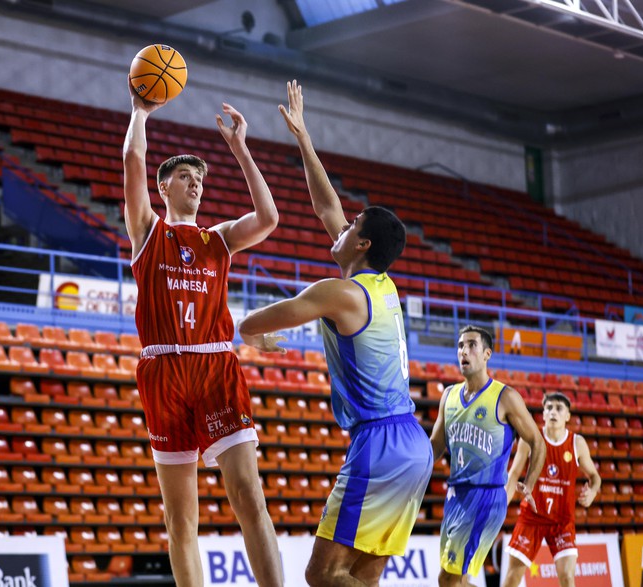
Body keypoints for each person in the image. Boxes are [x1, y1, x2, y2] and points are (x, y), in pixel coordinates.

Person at [237, 80, 433, 587]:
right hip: (411, 444)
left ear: (361, 242)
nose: (338, 227)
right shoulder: (380, 283)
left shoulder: (338, 293)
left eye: (350, 228)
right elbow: (327, 208)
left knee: (321, 576)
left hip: (380, 444)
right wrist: (304, 139)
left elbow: (255, 321)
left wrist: (248, 333)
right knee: (361, 577)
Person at [122, 80, 282, 587]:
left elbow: (269, 218)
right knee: (180, 520)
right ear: (164, 186)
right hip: (164, 369)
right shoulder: (149, 231)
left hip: (216, 366)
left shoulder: (219, 240)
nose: (195, 184)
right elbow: (131, 165)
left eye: (200, 180)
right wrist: (140, 113)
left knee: (249, 496)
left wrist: (240, 149)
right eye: (186, 177)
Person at [429, 325, 546, 587]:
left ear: (487, 354)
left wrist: (529, 483)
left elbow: (537, 442)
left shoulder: (506, 397)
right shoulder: (448, 396)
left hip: (485, 498)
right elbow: (435, 445)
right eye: (460, 345)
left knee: (449, 579)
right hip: (456, 496)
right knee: (452, 580)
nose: (463, 351)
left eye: (471, 345)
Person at [502, 392, 601, 587]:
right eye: (549, 408)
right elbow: (513, 474)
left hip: (562, 520)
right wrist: (503, 502)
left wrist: (592, 491)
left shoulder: (577, 443)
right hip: (532, 518)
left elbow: (595, 476)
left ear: (567, 416)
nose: (553, 412)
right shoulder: (531, 439)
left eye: (558, 408)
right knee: (513, 577)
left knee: (567, 577)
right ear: (543, 414)